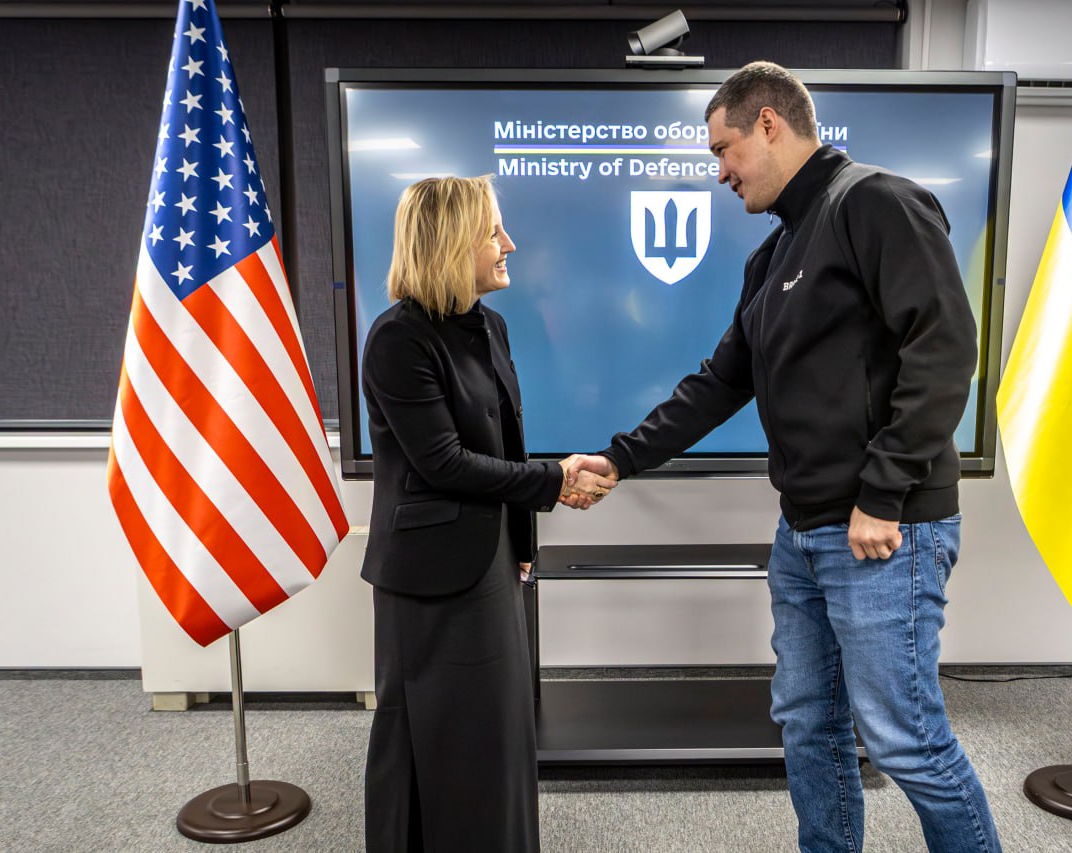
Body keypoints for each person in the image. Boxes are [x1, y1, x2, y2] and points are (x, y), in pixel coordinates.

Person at [569, 62, 1001, 852]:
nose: (720, 172)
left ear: (768, 123)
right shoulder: (771, 258)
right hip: (801, 533)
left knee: (905, 738)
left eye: (723, 149)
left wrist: (882, 492)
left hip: (882, 532)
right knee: (808, 722)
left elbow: (944, 351)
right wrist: (620, 458)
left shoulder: (876, 202)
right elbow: (720, 382)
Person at [359, 175, 614, 852]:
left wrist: (522, 540)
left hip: (491, 560)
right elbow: (443, 463)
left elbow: (504, 440)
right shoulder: (397, 339)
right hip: (430, 581)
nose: (509, 244)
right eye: (492, 232)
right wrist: (555, 481)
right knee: (434, 743)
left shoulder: (488, 325)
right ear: (449, 243)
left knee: (496, 739)